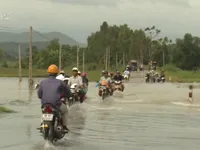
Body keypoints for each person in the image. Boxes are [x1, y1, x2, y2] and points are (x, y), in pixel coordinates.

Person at [37, 64, 70, 133]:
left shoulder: (42, 82)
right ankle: (64, 127)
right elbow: (67, 92)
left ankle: (42, 124)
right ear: (56, 73)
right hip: (56, 104)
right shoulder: (60, 82)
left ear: (48, 72)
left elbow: (39, 95)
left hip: (45, 105)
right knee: (65, 111)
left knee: (43, 112)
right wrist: (68, 95)